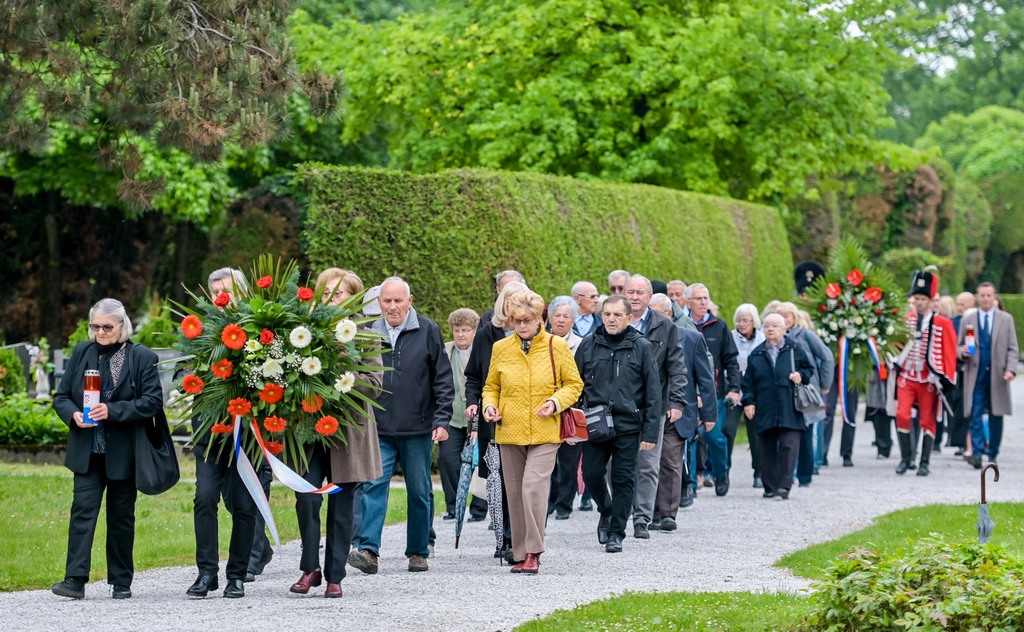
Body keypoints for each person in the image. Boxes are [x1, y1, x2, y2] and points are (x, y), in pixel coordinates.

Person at [51, 298, 163, 600]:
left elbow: (152, 403)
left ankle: (121, 581)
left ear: (122, 325)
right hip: (87, 452)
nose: (100, 332)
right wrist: (74, 415)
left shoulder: (141, 357)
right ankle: (74, 579)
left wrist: (112, 411)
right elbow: (61, 396)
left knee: (121, 516)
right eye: (95, 326)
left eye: (107, 327)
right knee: (82, 513)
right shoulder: (82, 352)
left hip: (123, 453)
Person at [288, 269, 384, 598]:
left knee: (342, 507)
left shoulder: (367, 334)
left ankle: (335, 576)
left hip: (350, 433)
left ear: (353, 296)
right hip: (310, 430)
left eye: (339, 293)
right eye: (327, 293)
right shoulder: (305, 330)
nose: (332, 299)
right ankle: (310, 569)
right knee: (306, 497)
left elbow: (374, 385)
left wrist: (341, 372)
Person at [349, 277, 454, 574]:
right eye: (386, 301)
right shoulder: (367, 333)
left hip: (418, 427)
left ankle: (418, 552)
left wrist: (441, 419)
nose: (392, 306)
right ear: (379, 303)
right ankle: (368, 550)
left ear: (409, 300)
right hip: (378, 427)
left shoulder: (427, 330)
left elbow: (443, 380)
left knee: (419, 491)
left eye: (398, 300)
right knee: (373, 486)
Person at [482, 290, 584, 573]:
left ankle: (533, 552)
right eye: (516, 321)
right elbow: (491, 387)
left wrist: (554, 402)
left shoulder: (556, 345)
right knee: (514, 493)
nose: (522, 325)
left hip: (545, 430)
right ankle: (518, 551)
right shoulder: (501, 347)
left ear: (540, 318)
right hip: (509, 428)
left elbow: (574, 384)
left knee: (533, 488)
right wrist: (489, 406)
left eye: (527, 320)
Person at [187, 268, 261, 599]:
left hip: (248, 436)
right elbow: (183, 371)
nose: (221, 299)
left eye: (227, 292)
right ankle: (206, 573)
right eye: (216, 292)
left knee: (244, 505)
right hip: (209, 433)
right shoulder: (199, 331)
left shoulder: (260, 329)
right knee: (204, 499)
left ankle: (237, 575)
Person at [575, 295, 662, 552]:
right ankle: (607, 509)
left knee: (624, 479)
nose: (611, 319)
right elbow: (574, 385)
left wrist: (650, 432)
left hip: (628, 424)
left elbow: (653, 393)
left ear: (628, 318)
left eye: (616, 315)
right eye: (607, 314)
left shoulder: (642, 346)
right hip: (595, 423)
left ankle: (616, 533)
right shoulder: (589, 344)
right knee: (590, 473)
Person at [464, 280, 529, 560]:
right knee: (499, 480)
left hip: (527, 418)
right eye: (509, 300)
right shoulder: (486, 333)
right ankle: (504, 537)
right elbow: (474, 376)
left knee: (526, 480)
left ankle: (523, 538)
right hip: (494, 417)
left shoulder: (535, 334)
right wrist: (471, 403)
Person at [624, 276, 688, 539]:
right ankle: (622, 508)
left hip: (654, 407)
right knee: (616, 464)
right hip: (619, 408)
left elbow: (677, 368)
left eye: (640, 292)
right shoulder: (613, 321)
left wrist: (675, 402)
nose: (635, 297)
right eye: (630, 292)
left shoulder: (665, 326)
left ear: (650, 297)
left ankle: (642, 518)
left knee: (649, 463)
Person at [649, 295, 716, 528]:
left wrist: (709, 414)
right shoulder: (641, 337)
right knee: (648, 462)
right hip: (648, 410)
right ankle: (649, 512)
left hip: (678, 410)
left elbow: (705, 379)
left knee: (669, 459)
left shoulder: (692, 338)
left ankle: (666, 513)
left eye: (656, 314)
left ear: (668, 315)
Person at [890, 270, 957, 477]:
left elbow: (949, 351)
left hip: (928, 379)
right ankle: (905, 459)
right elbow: (894, 347)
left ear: (930, 300)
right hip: (908, 377)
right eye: (916, 298)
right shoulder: (905, 320)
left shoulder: (942, 323)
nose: (918, 302)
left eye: (922, 299)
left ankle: (924, 462)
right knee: (901, 414)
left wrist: (943, 377)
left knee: (927, 419)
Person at [741, 313, 815, 500]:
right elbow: (747, 382)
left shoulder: (794, 349)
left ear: (784, 329)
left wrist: (800, 375)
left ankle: (784, 485)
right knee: (767, 447)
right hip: (765, 407)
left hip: (790, 406)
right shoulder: (757, 353)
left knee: (789, 446)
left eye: (775, 326)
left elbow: (809, 369)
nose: (771, 329)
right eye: (767, 326)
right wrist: (749, 402)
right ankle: (770, 486)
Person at [687, 282, 739, 496]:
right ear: (687, 302)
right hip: (688, 393)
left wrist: (734, 388)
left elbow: (731, 360)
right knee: (688, 439)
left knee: (715, 437)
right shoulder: (680, 325)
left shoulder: (719, 326)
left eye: (705, 298)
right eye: (698, 298)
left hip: (713, 393)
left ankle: (720, 473)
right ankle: (688, 485)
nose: (703, 302)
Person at [959, 282, 1018, 467]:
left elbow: (1012, 348)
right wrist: (962, 352)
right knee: (975, 413)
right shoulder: (968, 320)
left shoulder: (1006, 319)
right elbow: (959, 345)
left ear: (994, 297)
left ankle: (992, 452)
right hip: (975, 374)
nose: (985, 299)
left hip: (997, 375)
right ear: (977, 297)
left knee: (996, 414)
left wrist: (1010, 369)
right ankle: (976, 453)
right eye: (982, 295)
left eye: (989, 296)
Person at [439, 308, 487, 522]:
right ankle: (452, 507)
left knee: (480, 462)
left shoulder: (483, 351)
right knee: (447, 460)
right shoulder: (445, 351)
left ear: (474, 331)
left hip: (478, 419)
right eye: (457, 330)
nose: (460, 334)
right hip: (452, 418)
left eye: (466, 330)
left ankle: (479, 508)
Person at [776, 303, 832, 482]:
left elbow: (827, 357)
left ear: (794, 317)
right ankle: (787, 473)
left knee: (807, 431)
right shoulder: (774, 337)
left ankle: (805, 473)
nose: (784, 320)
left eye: (787, 317)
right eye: (781, 317)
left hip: (805, 391)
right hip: (783, 392)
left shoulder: (806, 335)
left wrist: (825, 385)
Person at [546, 296, 585, 519]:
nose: (561, 320)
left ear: (573, 320)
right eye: (557, 315)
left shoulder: (581, 344)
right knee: (547, 460)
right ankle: (550, 500)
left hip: (572, 410)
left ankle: (565, 504)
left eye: (566, 316)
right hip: (546, 409)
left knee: (569, 462)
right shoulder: (541, 342)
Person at [731, 303, 765, 488]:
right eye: (739, 320)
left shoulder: (762, 339)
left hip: (754, 391)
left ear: (754, 322)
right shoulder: (730, 337)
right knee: (727, 430)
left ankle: (758, 472)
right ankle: (723, 471)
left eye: (746, 320)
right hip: (734, 390)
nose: (742, 324)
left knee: (756, 433)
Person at [948, 292, 977, 454]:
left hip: (974, 369)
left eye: (963, 304)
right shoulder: (954, 322)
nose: (959, 307)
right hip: (959, 370)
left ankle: (974, 443)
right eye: (958, 304)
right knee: (960, 405)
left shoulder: (975, 320)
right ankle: (961, 442)